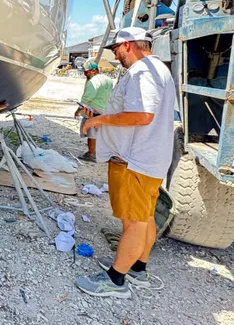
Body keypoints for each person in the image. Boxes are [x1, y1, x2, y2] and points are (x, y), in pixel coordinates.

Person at [74, 27, 176, 299]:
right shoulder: (159, 70)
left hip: (134, 161)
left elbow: (142, 116)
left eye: (117, 49)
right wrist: (103, 113)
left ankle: (115, 280)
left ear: (128, 45)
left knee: (133, 222)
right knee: (144, 217)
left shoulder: (143, 72)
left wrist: (98, 120)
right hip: (149, 159)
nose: (115, 55)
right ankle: (137, 269)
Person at [75, 60, 114, 162]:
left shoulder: (93, 81)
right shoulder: (108, 79)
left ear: (93, 71)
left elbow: (86, 99)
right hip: (105, 111)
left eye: (86, 71)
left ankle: (92, 153)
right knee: (102, 134)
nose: (84, 74)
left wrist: (78, 111)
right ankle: (101, 152)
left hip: (93, 112)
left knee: (92, 134)